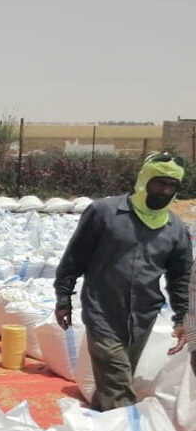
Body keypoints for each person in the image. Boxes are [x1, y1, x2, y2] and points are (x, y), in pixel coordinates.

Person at [54, 152, 192, 411]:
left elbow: (181, 278)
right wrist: (64, 299)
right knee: (118, 384)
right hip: (102, 312)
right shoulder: (104, 213)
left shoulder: (176, 229)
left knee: (113, 382)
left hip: (143, 316)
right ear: (144, 180)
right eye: (159, 182)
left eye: (172, 185)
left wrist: (184, 317)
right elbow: (74, 259)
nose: (165, 190)